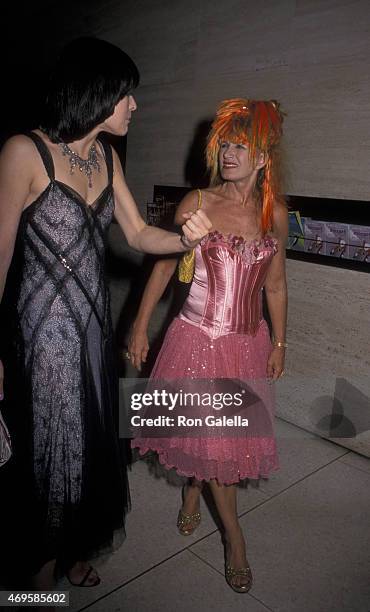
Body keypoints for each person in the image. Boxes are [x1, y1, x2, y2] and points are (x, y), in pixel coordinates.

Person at [0, 37, 211, 594]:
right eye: (126, 95)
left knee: (92, 442)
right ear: (97, 92)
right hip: (44, 335)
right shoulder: (24, 151)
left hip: (94, 330)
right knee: (52, 451)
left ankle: (74, 551)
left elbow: (139, 233)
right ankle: (37, 581)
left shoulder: (105, 157)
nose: (134, 106)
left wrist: (187, 236)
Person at [131, 98, 288, 593]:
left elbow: (277, 286)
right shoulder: (196, 203)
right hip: (197, 339)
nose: (230, 152)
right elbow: (161, 266)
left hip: (246, 344)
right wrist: (138, 326)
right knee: (216, 436)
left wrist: (280, 341)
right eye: (226, 142)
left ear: (263, 158)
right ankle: (235, 539)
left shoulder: (274, 213)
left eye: (242, 145)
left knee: (223, 440)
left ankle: (193, 491)